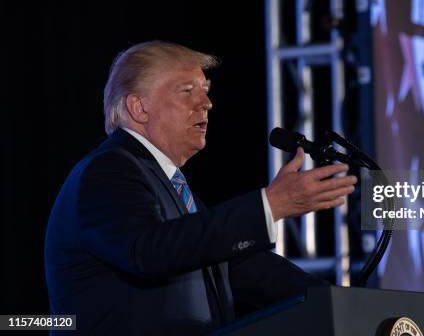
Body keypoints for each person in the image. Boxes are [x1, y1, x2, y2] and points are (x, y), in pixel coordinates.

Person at [44, 41, 357, 335]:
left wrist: (349, 308)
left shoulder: (176, 190)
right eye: (186, 91)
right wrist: (269, 204)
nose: (206, 103)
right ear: (139, 108)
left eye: (206, 91)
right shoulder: (108, 170)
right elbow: (148, 252)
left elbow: (250, 271)